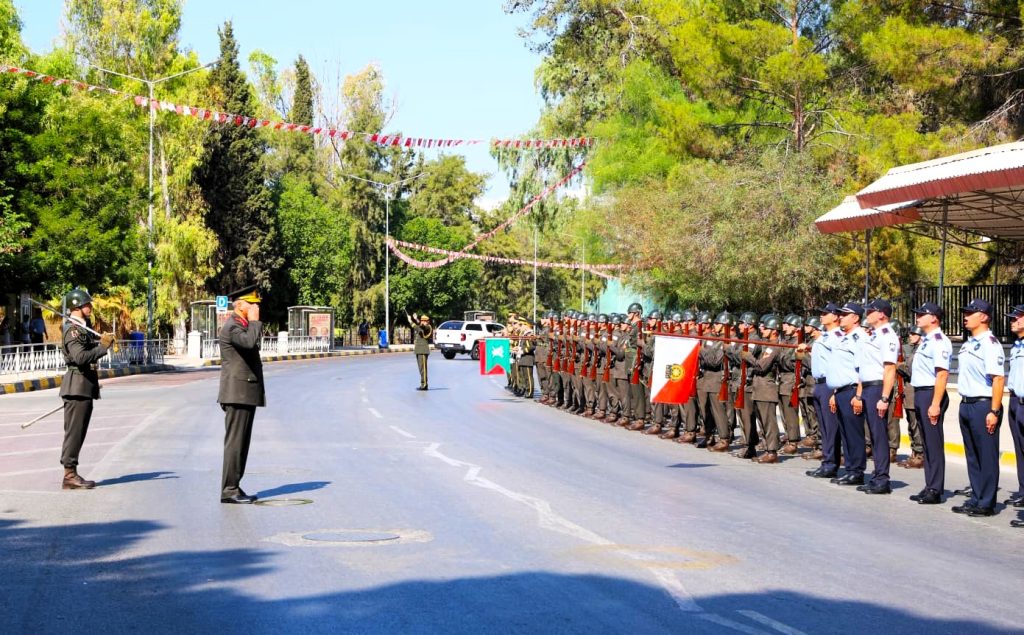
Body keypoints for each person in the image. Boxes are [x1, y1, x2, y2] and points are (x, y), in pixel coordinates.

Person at [58, 288, 115, 490]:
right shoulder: (72, 329)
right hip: (76, 385)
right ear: (77, 306)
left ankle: (71, 473)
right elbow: (80, 357)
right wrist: (102, 348)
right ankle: (69, 475)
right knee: (74, 433)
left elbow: (87, 349)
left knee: (79, 432)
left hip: (84, 385)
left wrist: (100, 342)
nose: (90, 307)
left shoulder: (83, 327)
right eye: (87, 304)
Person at [952, 299, 1005, 517]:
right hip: (966, 404)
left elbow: (998, 379)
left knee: (987, 456)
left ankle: (987, 502)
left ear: (983, 316)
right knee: (972, 455)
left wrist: (994, 411)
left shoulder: (990, 344)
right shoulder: (968, 343)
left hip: (983, 405)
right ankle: (975, 497)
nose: (965, 316)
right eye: (965, 312)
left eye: (970, 312)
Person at [218, 284, 266, 504]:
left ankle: (234, 486)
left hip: (244, 393)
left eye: (256, 304)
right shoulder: (233, 326)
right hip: (237, 394)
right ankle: (229, 490)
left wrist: (253, 322)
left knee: (242, 444)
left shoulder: (242, 324)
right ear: (239, 305)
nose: (256, 307)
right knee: (235, 444)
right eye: (252, 304)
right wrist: (255, 321)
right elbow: (249, 342)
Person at [906, 303, 952, 505]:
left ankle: (935, 488)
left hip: (931, 393)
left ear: (933, 318)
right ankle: (929, 484)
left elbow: (942, 374)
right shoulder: (927, 340)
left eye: (921, 315)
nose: (917, 317)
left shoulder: (939, 341)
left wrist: (935, 403)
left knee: (933, 443)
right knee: (925, 443)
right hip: (921, 392)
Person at [827, 302, 868, 486]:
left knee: (854, 433)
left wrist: (858, 395)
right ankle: (850, 468)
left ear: (856, 318)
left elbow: (862, 369)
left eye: (845, 314)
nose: (840, 317)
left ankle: (857, 471)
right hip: (841, 391)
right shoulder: (845, 337)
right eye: (840, 314)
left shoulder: (860, 338)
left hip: (852, 390)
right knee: (845, 433)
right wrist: (835, 392)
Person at [1005, 304, 1024, 528]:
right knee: (1020, 450)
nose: (1012, 321)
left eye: (1017, 318)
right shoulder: (1017, 345)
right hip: (1015, 400)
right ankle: (1022, 490)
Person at [408, 312, 433, 390]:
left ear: (428, 321)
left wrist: (413, 320)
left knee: (423, 369)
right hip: (418, 350)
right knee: (420, 369)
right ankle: (423, 383)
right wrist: (411, 321)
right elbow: (417, 327)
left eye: (424, 321)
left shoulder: (428, 327)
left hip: (423, 350)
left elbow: (420, 327)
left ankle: (424, 384)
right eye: (422, 320)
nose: (423, 322)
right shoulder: (421, 327)